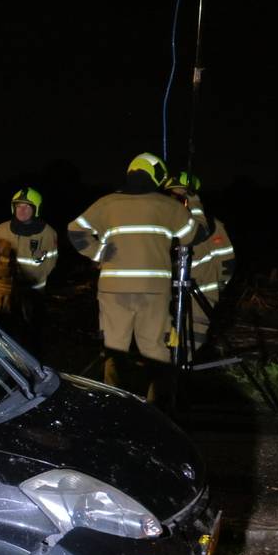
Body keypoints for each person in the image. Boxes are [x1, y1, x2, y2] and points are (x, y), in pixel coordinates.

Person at [68, 153, 207, 405]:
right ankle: (158, 408)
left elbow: (75, 230)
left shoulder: (106, 203)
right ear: (157, 176)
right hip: (153, 291)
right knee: (155, 350)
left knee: (114, 349)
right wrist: (193, 201)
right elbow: (197, 235)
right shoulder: (168, 206)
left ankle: (113, 405)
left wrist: (99, 252)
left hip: (113, 290)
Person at [167, 171, 235, 350]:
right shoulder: (164, 224)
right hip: (167, 292)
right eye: (171, 196)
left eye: (179, 197)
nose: (174, 202)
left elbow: (226, 260)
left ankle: (185, 363)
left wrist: (218, 285)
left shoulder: (211, 225)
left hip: (201, 291)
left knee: (193, 337)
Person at [0, 187, 57, 355]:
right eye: (18, 206)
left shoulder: (48, 233)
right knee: (1, 334)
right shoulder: (0, 231)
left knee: (31, 338)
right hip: (3, 294)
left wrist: (34, 280)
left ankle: (31, 366)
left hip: (32, 295)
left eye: (27, 206)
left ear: (36, 209)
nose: (22, 210)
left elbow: (50, 263)